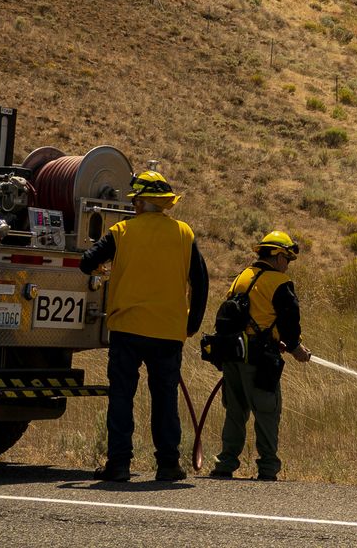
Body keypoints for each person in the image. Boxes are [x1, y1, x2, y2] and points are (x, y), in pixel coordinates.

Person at [78, 169, 208, 483]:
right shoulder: (184, 233)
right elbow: (201, 283)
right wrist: (191, 324)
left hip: (127, 329)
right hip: (168, 332)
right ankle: (168, 465)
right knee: (165, 399)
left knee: (122, 396)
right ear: (164, 203)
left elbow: (87, 262)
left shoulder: (122, 231)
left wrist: (103, 264)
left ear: (139, 202)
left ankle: (119, 465)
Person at [211, 230, 312, 481]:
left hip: (232, 356)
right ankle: (267, 467)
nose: (287, 266)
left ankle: (225, 463)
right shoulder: (279, 283)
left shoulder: (242, 277)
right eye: (287, 259)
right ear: (278, 256)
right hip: (259, 359)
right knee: (267, 411)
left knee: (235, 411)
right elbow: (290, 323)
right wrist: (296, 348)